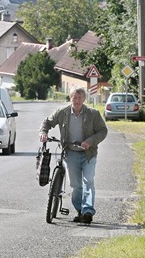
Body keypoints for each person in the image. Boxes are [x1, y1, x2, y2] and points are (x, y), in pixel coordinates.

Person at [39, 86, 108, 224]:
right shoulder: (62, 112)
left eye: (80, 97)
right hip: (71, 153)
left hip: (88, 154)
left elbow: (102, 131)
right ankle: (80, 211)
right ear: (70, 98)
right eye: (74, 97)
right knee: (76, 185)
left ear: (84, 99)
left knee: (88, 181)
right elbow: (47, 122)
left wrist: (90, 141)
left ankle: (88, 211)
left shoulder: (93, 114)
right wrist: (43, 132)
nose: (77, 100)